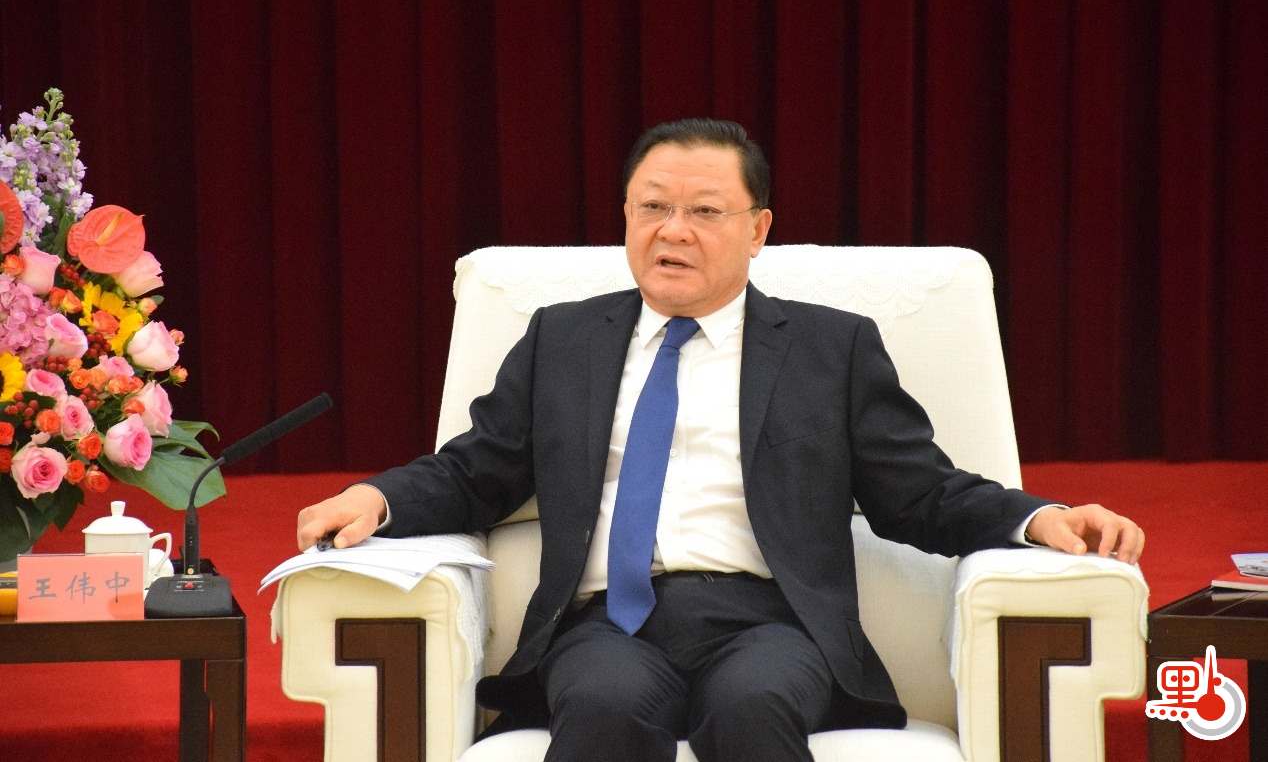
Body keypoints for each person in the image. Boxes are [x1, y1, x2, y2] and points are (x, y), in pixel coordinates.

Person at [297, 118, 1145, 762]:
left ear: (758, 229)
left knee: (754, 708)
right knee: (602, 707)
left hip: (768, 623)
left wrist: (1039, 518)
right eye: (653, 208)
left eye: (705, 212)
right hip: (605, 625)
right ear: (626, 216)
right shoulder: (563, 339)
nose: (673, 231)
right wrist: (379, 497)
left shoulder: (830, 348)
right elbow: (477, 470)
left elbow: (918, 491)